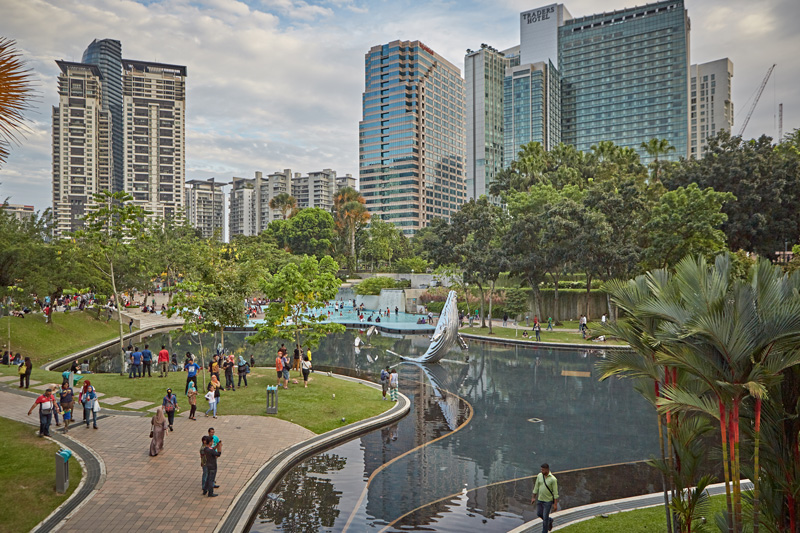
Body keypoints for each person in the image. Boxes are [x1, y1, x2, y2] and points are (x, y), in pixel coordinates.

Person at [532, 463, 559, 533]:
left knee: (545, 517)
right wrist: (533, 497)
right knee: (539, 513)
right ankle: (549, 520)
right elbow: (536, 487)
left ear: (547, 470)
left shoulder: (553, 479)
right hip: (540, 499)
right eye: (541, 469)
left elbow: (555, 493)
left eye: (543, 470)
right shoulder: (539, 476)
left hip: (548, 501)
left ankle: (544, 531)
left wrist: (555, 504)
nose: (541, 471)